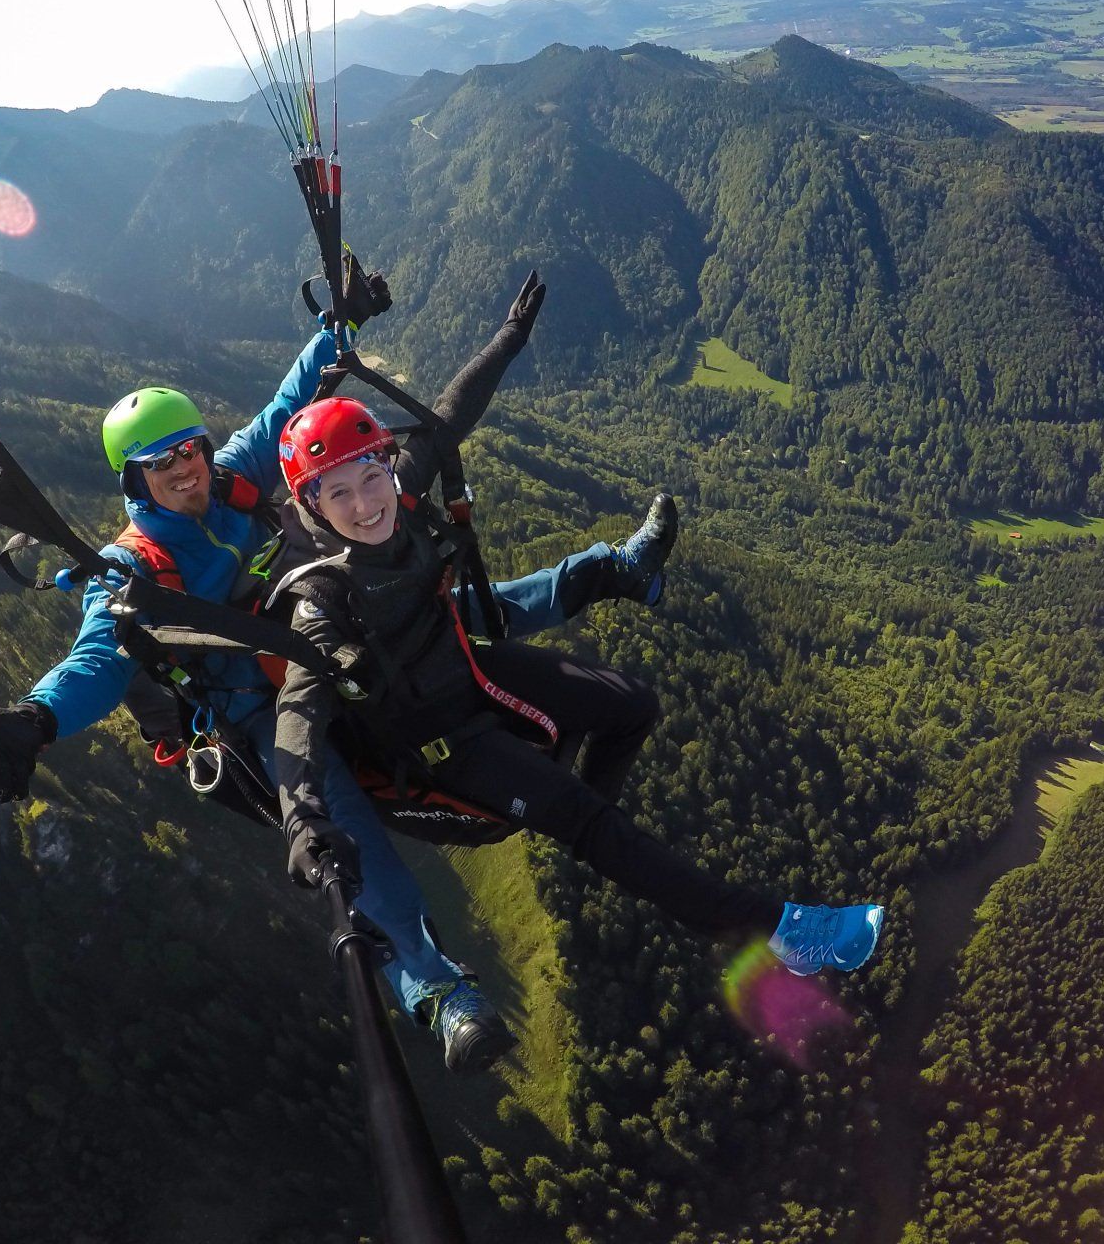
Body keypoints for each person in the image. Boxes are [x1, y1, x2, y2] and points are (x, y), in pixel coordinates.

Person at [0, 274, 670, 1070]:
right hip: (261, 704)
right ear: (132, 481)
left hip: (334, 631)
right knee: (337, 820)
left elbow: (292, 396)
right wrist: (36, 720)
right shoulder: (133, 566)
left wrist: (337, 323)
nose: (186, 469)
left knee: (462, 608)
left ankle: (615, 570)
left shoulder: (233, 474)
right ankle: (434, 988)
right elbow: (101, 658)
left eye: (189, 448)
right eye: (161, 463)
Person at [266, 395, 886, 1038]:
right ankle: (776, 929)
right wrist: (303, 817)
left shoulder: (400, 498)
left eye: (372, 477)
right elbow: (298, 713)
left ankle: (588, 822)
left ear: (388, 467)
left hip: (467, 669)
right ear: (312, 504)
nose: (366, 504)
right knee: (592, 823)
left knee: (632, 706)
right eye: (339, 494)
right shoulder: (320, 602)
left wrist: (511, 335)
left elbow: (449, 415)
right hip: (443, 740)